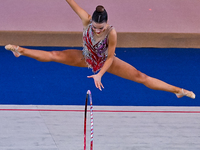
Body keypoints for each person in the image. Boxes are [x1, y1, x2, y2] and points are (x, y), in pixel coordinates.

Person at [5, 0, 195, 99]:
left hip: (105, 61)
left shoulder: (112, 33)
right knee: (54, 55)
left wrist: (99, 75)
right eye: (94, 26)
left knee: (140, 77)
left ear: (106, 23)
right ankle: (20, 50)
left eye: (100, 28)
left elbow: (111, 57)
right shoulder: (87, 19)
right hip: (85, 57)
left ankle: (177, 90)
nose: (96, 30)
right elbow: (71, 2)